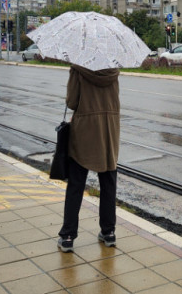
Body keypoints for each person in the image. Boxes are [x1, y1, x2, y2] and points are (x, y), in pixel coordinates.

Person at [58, 65, 120, 253]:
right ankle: (109, 232)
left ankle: (68, 236)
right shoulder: (113, 70)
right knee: (108, 181)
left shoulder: (78, 69)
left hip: (85, 128)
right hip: (109, 128)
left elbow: (72, 102)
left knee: (76, 184)